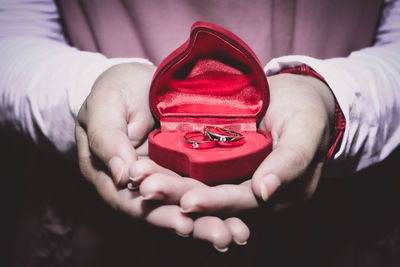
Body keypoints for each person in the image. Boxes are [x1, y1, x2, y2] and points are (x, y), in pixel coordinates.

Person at [1, 0, 399, 266]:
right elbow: (9, 37)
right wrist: (88, 90)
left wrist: (331, 97)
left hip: (340, 232)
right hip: (90, 234)